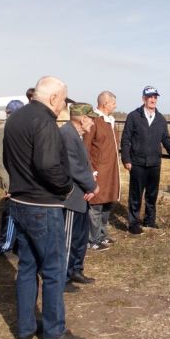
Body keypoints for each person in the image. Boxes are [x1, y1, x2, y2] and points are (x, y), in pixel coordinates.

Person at [3, 76, 85, 339]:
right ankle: (53, 331)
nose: (63, 106)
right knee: (53, 269)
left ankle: (26, 327)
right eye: (63, 100)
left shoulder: (16, 118)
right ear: (53, 98)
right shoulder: (45, 122)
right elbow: (48, 166)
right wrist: (66, 187)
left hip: (20, 203)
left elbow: (7, 159)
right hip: (43, 205)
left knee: (27, 266)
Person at [120, 85, 170, 234]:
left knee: (152, 194)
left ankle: (149, 221)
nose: (153, 100)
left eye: (155, 97)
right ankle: (134, 223)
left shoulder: (161, 119)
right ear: (144, 99)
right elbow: (125, 140)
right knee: (135, 194)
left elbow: (166, 139)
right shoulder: (134, 116)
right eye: (150, 97)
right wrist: (126, 159)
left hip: (155, 163)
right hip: (137, 162)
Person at [60, 103, 100, 293]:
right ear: (83, 119)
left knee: (80, 236)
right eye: (91, 119)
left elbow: (82, 165)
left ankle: (76, 269)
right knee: (69, 238)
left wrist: (89, 183)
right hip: (72, 196)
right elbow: (73, 166)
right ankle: (63, 277)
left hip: (81, 194)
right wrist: (92, 186)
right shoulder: (67, 135)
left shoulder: (75, 134)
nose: (92, 123)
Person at [83, 90, 120, 250]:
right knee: (96, 205)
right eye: (113, 103)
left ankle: (102, 235)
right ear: (105, 103)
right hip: (98, 171)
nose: (115, 106)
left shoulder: (110, 121)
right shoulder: (93, 121)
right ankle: (93, 239)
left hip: (111, 171)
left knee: (107, 203)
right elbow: (85, 147)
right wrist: (90, 170)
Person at [0, 99, 24, 256]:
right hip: (12, 180)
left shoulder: (17, 129)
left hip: (20, 178)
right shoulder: (3, 130)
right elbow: (2, 161)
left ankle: (16, 244)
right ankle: (4, 245)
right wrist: (8, 183)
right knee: (11, 212)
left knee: (18, 212)